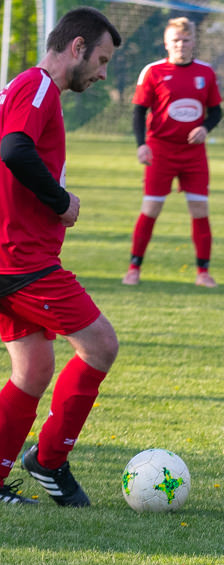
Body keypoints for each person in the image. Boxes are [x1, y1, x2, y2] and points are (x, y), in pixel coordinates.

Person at [0, 7, 121, 506]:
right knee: (100, 345)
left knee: (32, 370)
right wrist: (60, 202)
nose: (102, 72)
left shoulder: (24, 87)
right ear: (76, 47)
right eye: (102, 59)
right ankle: (48, 460)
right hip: (22, 260)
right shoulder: (39, 87)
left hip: (12, 254)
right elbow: (13, 150)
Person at [121, 17, 223, 288]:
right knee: (151, 208)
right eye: (175, 40)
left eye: (186, 40)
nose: (181, 45)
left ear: (193, 42)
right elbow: (139, 111)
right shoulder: (153, 71)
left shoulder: (206, 72)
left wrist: (205, 128)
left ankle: (203, 273)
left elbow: (217, 111)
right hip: (160, 151)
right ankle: (134, 268)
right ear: (166, 43)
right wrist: (141, 145)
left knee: (200, 209)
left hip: (194, 154)